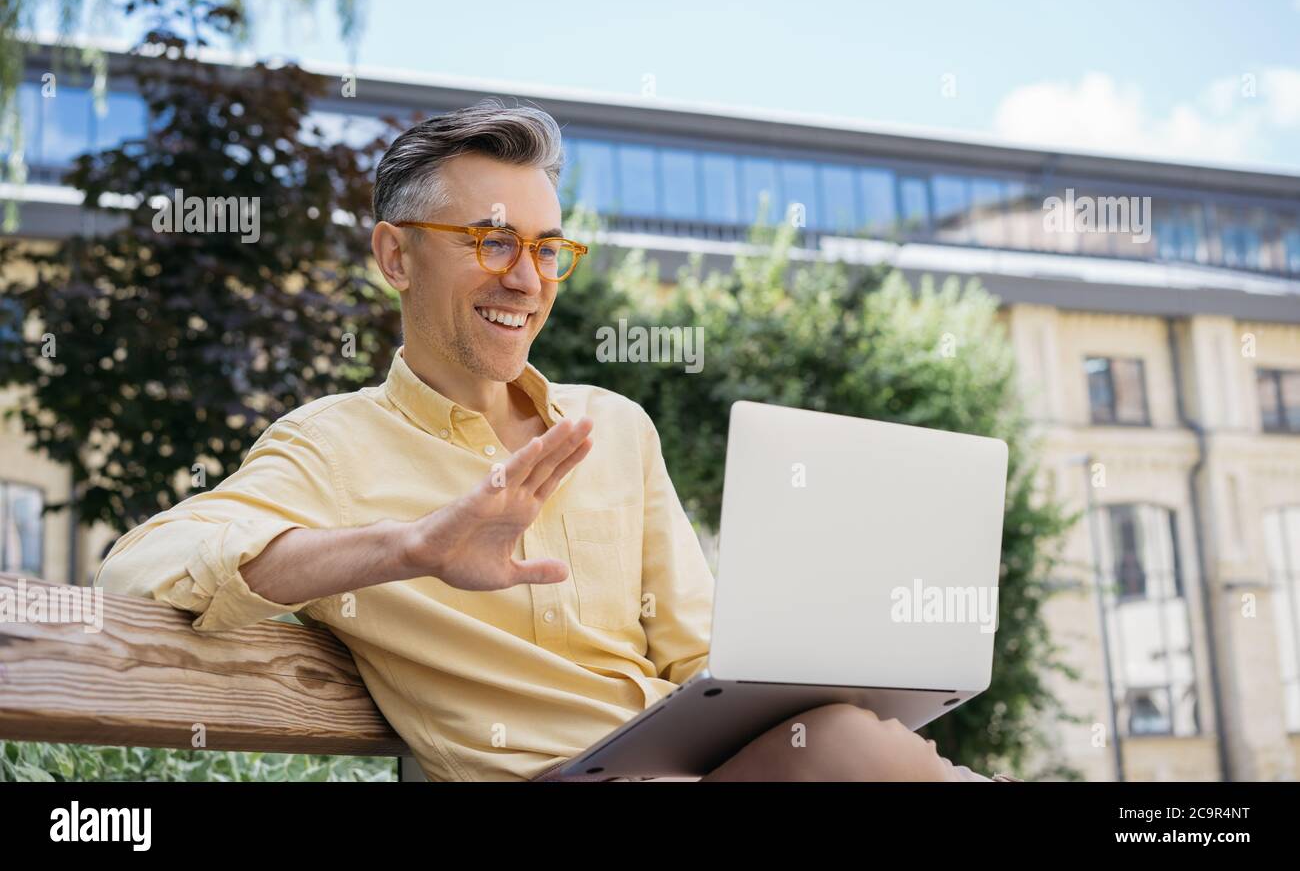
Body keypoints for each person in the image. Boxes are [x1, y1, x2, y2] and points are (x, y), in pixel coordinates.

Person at [97, 100, 1016, 782]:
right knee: (861, 755)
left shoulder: (613, 426)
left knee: (868, 742)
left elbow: (699, 657)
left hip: (695, 769)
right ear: (395, 256)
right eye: (492, 243)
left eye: (549, 248)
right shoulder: (332, 448)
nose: (527, 279)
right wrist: (411, 547)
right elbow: (137, 568)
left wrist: (817, 671)